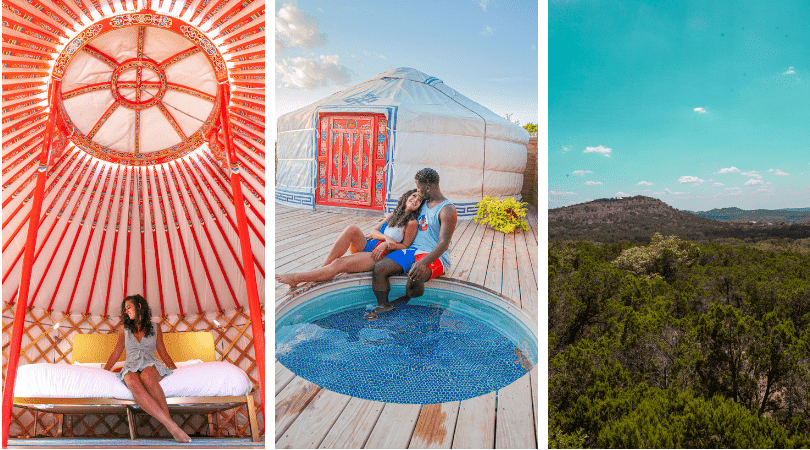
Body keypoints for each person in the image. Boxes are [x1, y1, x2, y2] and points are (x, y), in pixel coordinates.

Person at [275, 189, 424, 288]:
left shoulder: (412, 223)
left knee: (339, 263)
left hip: (379, 255)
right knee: (352, 228)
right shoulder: (394, 214)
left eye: (419, 200)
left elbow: (405, 246)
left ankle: (296, 278)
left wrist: (386, 245)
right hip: (371, 245)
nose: (415, 199)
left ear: (419, 206)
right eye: (413, 196)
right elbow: (373, 231)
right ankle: (322, 270)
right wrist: (385, 238)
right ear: (406, 197)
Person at [366, 167, 457, 320]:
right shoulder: (422, 203)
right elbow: (401, 215)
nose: (417, 192)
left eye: (419, 188)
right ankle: (383, 305)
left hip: (434, 255)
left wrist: (423, 262)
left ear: (427, 188)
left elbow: (444, 243)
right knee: (379, 268)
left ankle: (409, 301)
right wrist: (383, 238)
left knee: (414, 279)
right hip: (412, 251)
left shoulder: (447, 209)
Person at [104, 294, 191, 443]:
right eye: (125, 309)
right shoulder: (123, 329)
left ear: (139, 307)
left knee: (146, 376)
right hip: (131, 365)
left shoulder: (155, 327)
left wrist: (175, 370)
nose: (126, 311)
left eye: (129, 307)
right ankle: (171, 425)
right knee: (131, 379)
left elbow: (162, 351)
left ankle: (170, 425)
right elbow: (116, 352)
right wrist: (104, 371)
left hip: (150, 364)